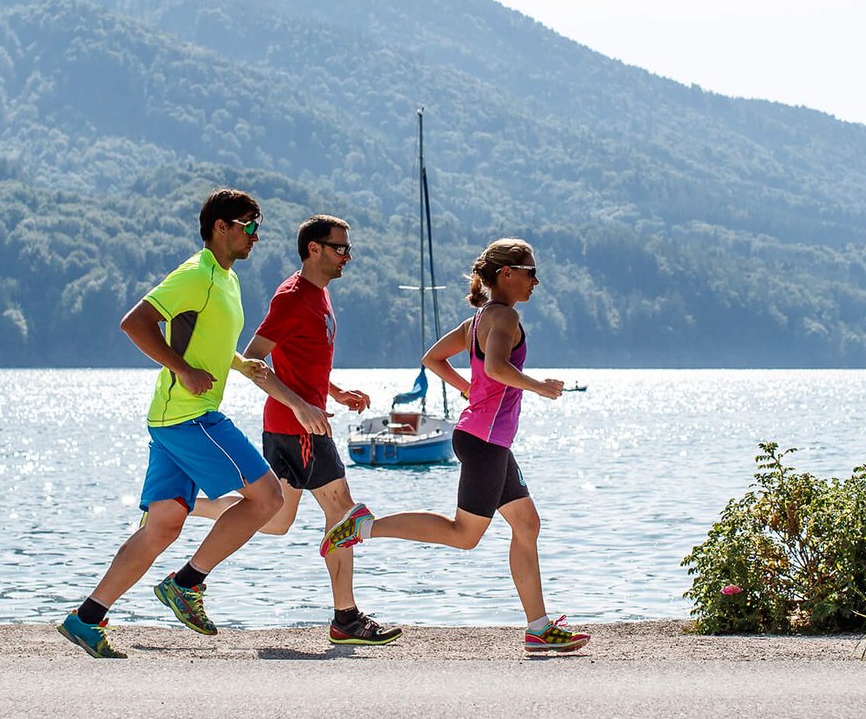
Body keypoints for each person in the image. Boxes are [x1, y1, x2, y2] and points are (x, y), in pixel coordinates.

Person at [57, 189, 330, 658]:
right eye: (248, 225)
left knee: (162, 526)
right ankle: (187, 583)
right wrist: (182, 370)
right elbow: (135, 322)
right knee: (268, 497)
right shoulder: (196, 274)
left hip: (170, 420)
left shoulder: (226, 281)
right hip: (190, 416)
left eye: (257, 225)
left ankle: (86, 617)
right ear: (220, 226)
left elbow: (212, 345)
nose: (256, 235)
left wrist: (244, 368)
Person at [321, 238, 590, 654]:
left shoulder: (479, 319)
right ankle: (364, 526)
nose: (536, 280)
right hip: (484, 441)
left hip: (484, 437)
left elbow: (432, 358)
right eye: (530, 271)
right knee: (464, 535)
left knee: (526, 524)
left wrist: (471, 388)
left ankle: (538, 628)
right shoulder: (503, 319)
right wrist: (537, 386)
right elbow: (498, 367)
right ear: (507, 273)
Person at [189, 214, 403, 645]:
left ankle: (179, 505)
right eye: (340, 247)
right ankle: (346, 618)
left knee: (275, 520)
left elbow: (302, 362)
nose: (348, 256)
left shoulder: (319, 296)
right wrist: (303, 406)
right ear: (314, 249)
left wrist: (335, 392)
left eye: (348, 247)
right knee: (341, 512)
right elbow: (255, 363)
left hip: (300, 420)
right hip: (298, 426)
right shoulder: (292, 297)